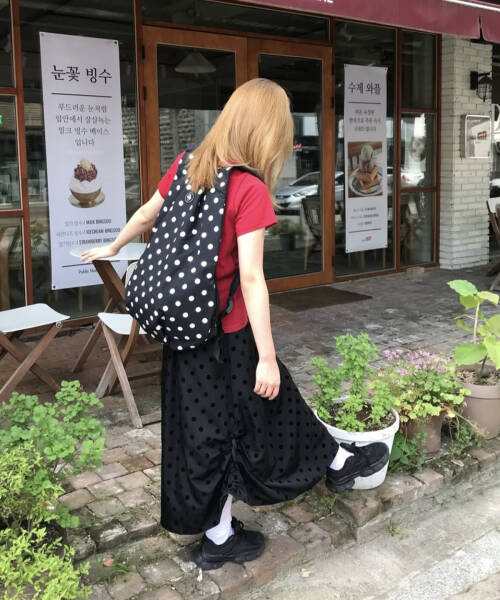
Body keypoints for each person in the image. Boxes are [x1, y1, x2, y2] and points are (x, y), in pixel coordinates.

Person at [81, 78, 389, 571]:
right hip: (227, 334)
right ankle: (228, 532)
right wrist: (266, 355)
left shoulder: (187, 165)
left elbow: (145, 214)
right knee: (245, 417)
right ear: (267, 132)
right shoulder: (249, 188)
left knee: (220, 424)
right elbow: (251, 278)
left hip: (184, 332)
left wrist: (115, 247)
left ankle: (327, 466)